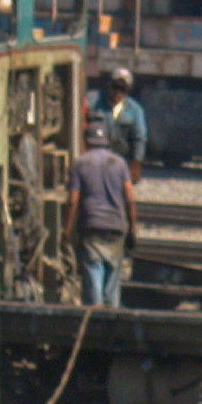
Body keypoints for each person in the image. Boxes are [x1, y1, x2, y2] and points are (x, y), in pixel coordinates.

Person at [64, 120, 137, 307]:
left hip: (91, 227)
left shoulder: (79, 164)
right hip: (116, 226)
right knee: (113, 277)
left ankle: (93, 316)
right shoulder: (120, 164)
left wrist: (67, 229)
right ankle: (112, 319)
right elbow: (129, 199)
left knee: (93, 271)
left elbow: (73, 199)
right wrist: (133, 230)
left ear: (86, 142)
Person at [87, 67, 147, 183]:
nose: (117, 92)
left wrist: (135, 164)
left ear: (128, 90)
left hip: (120, 162)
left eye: (122, 89)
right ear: (108, 85)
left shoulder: (135, 110)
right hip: (94, 161)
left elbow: (139, 139)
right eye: (115, 87)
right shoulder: (93, 101)